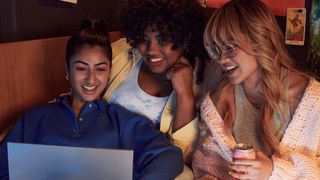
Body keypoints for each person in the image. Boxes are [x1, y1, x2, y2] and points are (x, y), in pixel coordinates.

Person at [0, 18, 183, 180]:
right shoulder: (34, 119)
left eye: (100, 69)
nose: (91, 79)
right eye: (81, 68)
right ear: (67, 70)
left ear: (109, 72)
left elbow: (169, 156)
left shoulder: (121, 122)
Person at [192, 0, 320, 179]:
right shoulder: (216, 102)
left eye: (229, 47)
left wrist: (273, 172)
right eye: (216, 49)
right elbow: (206, 168)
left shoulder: (312, 103)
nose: (221, 59)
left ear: (259, 39)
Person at [103, 0, 210, 178]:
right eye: (144, 40)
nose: (152, 50)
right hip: (103, 154)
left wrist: (185, 95)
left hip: (150, 168)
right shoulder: (122, 52)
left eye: (163, 39)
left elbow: (180, 155)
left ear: (184, 38)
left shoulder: (203, 78)